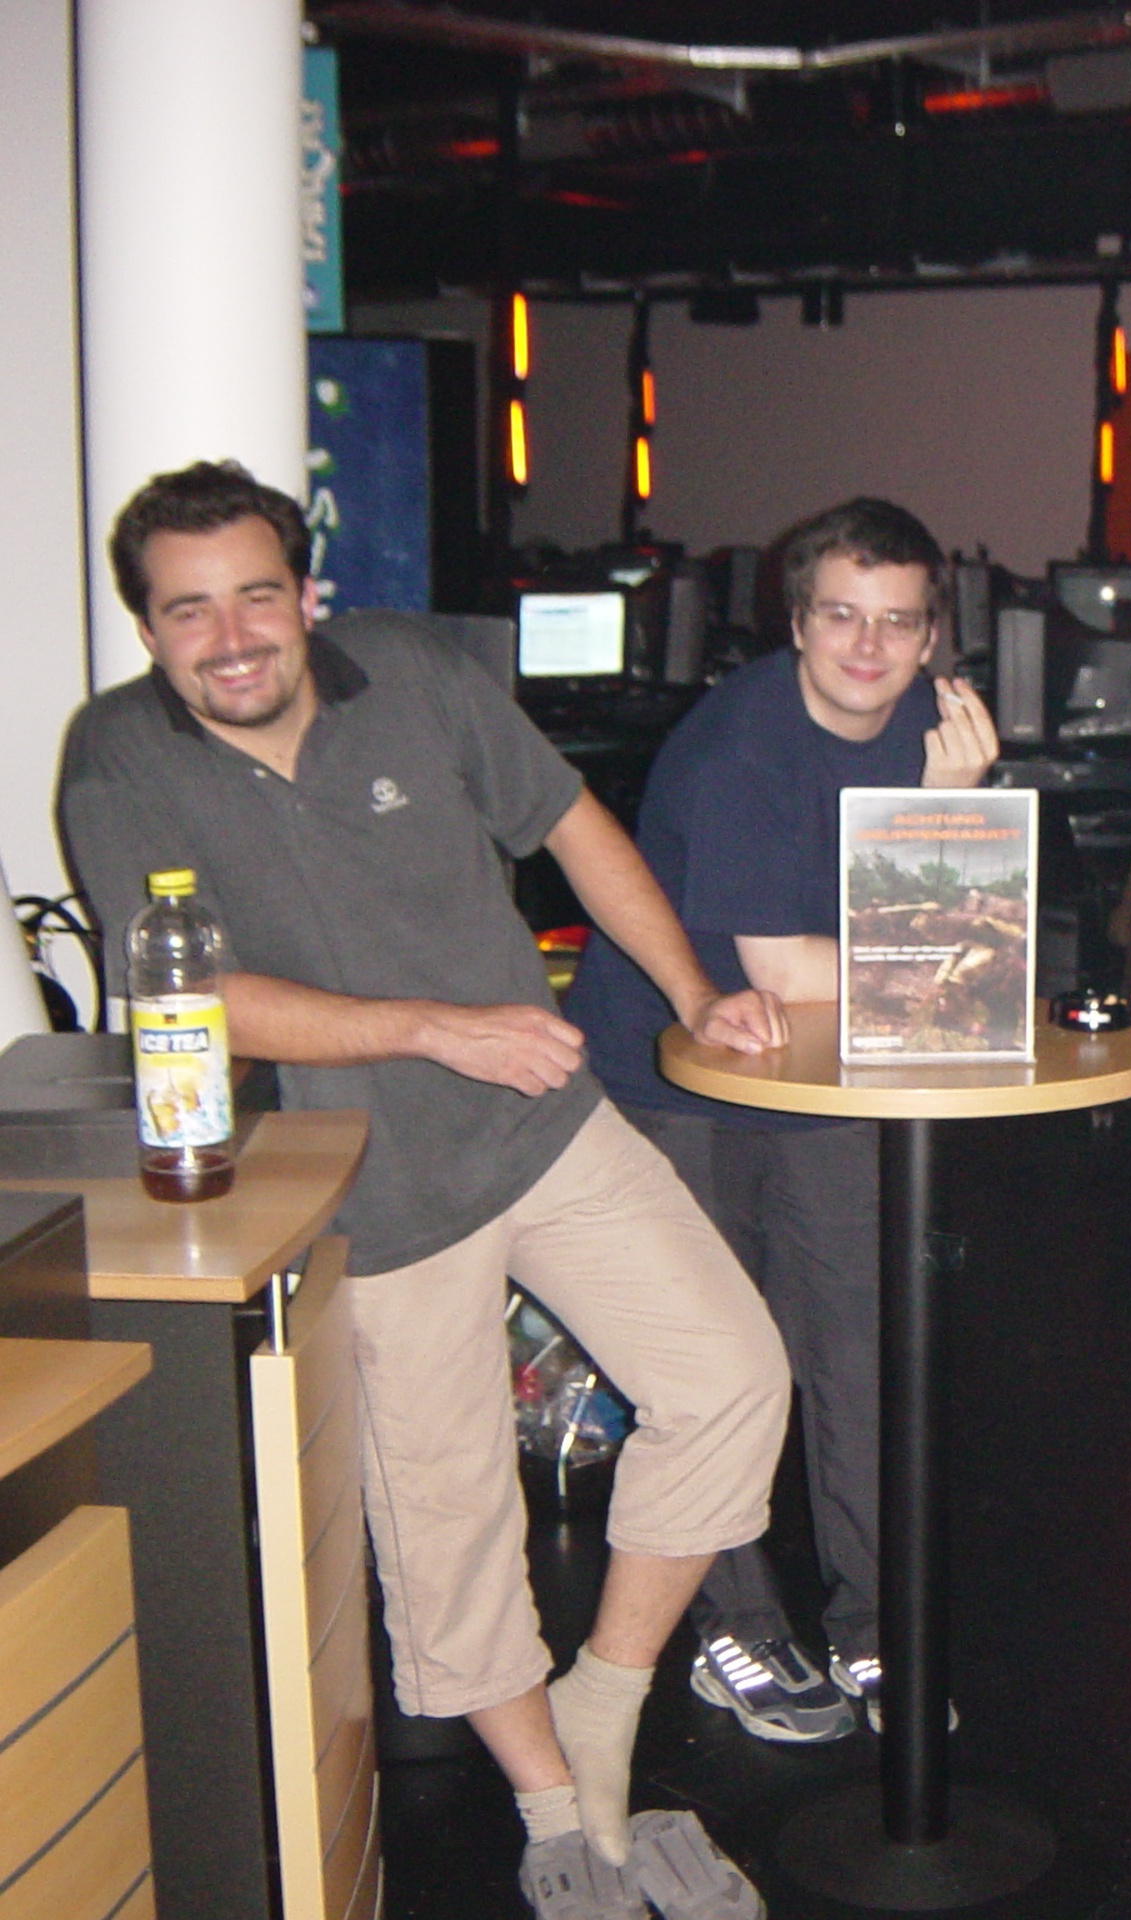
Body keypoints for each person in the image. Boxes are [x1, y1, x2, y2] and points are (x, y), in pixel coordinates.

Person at [59, 461, 792, 1920]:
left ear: (304, 594)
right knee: (450, 1522)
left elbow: (571, 824)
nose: (230, 638)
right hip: (366, 1188)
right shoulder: (118, 756)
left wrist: (693, 991)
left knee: (730, 1379)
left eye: (255, 595)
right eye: (188, 611)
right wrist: (431, 1027)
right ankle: (552, 1816)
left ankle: (603, 1705)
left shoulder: (411, 671)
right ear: (147, 629)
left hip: (542, 1124)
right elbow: (186, 993)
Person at [562, 497, 998, 1743]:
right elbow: (801, 969)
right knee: (720, 1366)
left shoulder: (938, 730)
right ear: (796, 622)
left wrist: (951, 802)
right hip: (679, 1073)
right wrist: (951, 929)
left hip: (823, 1069)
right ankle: (736, 1625)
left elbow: (962, 934)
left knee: (855, 1352)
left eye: (896, 622)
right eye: (841, 616)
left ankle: (871, 1623)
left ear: (930, 635)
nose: (868, 647)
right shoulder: (739, 748)